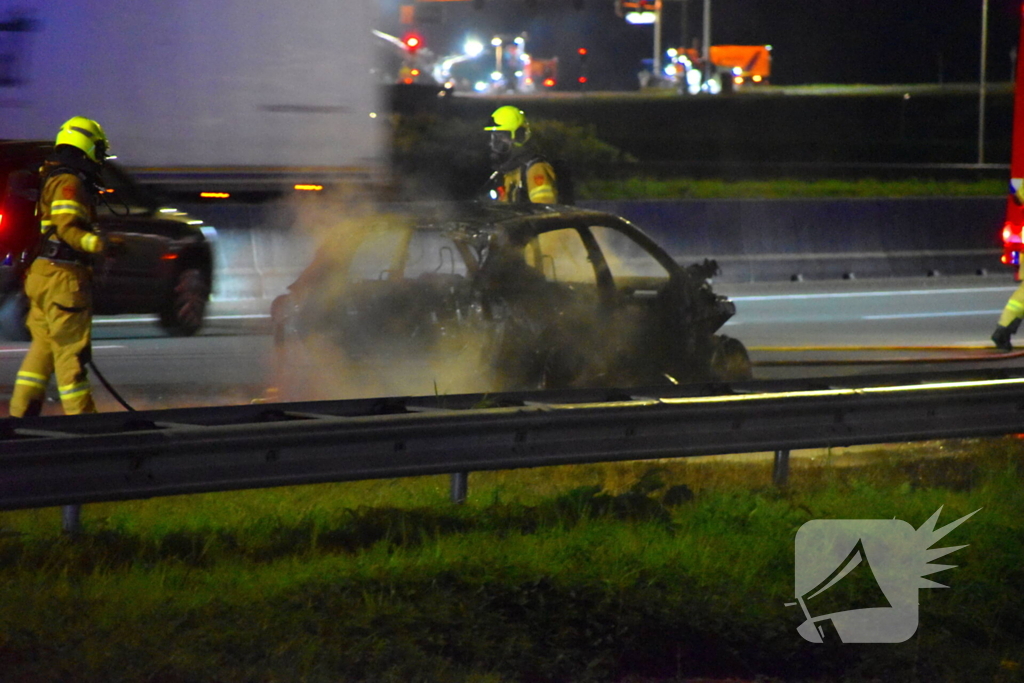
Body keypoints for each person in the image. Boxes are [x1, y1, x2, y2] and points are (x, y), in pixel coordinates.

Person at [8, 116, 113, 418]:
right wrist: (99, 244)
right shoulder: (69, 182)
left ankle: (20, 417)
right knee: (71, 355)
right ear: (87, 146)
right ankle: (84, 424)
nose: (101, 158)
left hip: (42, 274)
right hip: (63, 279)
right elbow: (67, 228)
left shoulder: (51, 176)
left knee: (42, 352)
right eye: (99, 150)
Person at [484, 105, 559, 204]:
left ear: (519, 136)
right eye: (494, 137)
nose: (494, 143)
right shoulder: (507, 171)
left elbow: (544, 210)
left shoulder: (536, 168)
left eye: (501, 136)